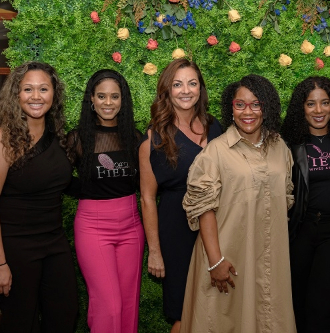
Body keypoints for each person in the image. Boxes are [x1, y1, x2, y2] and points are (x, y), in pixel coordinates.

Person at [180, 74, 296, 332]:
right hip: (228, 257)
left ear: (267, 108)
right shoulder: (215, 152)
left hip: (270, 256)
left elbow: (284, 199)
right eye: (240, 104)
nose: (248, 112)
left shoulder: (281, 148)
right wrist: (215, 261)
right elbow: (203, 209)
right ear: (230, 108)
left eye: (256, 104)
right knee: (223, 320)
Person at [0, 61, 78, 332]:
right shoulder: (2, 140)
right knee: (21, 323)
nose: (36, 96)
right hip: (12, 246)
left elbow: (62, 184)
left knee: (65, 316)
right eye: (28, 89)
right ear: (16, 95)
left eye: (43, 89)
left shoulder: (56, 137)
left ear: (54, 94)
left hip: (53, 243)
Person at [138, 58, 221, 332]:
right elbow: (148, 199)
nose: (186, 90)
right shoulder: (154, 139)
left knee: (218, 307)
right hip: (177, 231)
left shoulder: (217, 129)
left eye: (192, 83)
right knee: (184, 312)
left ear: (201, 88)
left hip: (220, 226)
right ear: (167, 90)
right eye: (177, 84)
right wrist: (155, 252)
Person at [280, 76, 330, 332]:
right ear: (301, 108)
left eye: (325, 103)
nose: (318, 110)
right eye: (311, 104)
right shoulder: (289, 143)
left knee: (324, 308)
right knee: (294, 306)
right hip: (300, 230)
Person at [67, 69, 145, 333]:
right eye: (101, 96)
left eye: (114, 96)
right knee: (108, 305)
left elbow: (143, 183)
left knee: (128, 304)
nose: (108, 102)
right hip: (93, 227)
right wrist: (90, 191)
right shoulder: (77, 139)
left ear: (123, 100)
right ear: (91, 98)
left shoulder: (134, 138)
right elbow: (59, 179)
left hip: (132, 227)